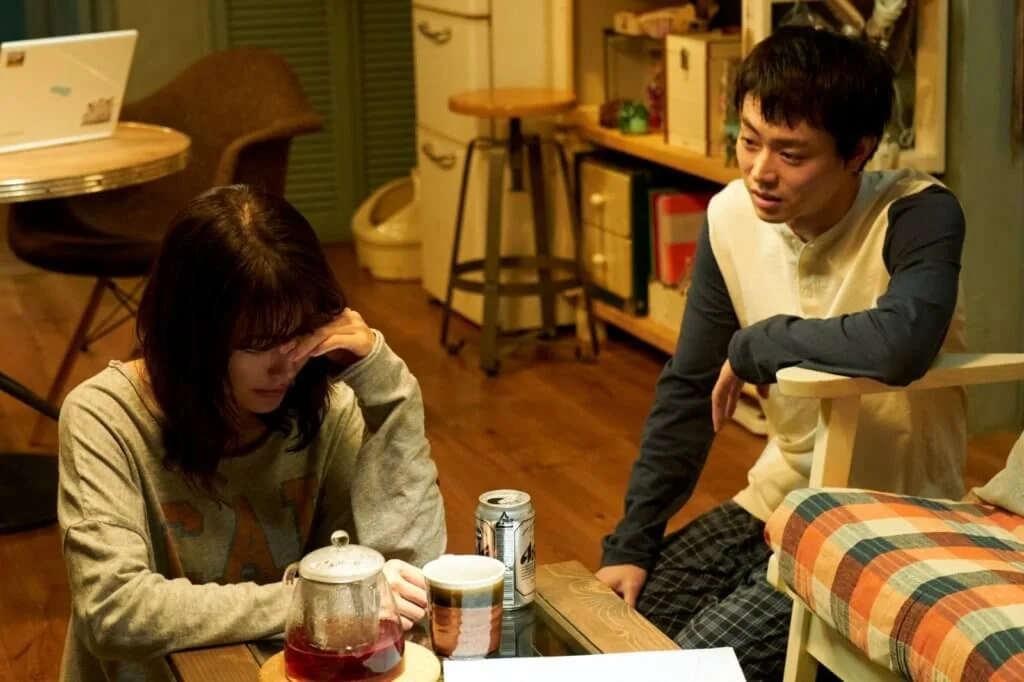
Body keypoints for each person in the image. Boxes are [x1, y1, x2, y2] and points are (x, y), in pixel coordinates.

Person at [596, 26, 968, 680]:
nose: (760, 171)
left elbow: (901, 343)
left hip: (887, 520)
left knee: (690, 666)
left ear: (858, 151)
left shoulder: (918, 213)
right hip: (779, 495)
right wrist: (631, 542)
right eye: (749, 140)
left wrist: (759, 343)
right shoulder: (730, 217)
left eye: (791, 154)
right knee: (618, 628)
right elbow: (688, 389)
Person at [56, 185, 446, 682]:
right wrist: (315, 601)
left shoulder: (327, 408)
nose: (285, 366)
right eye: (258, 344)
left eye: (298, 335)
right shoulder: (104, 417)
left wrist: (390, 394)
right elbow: (113, 610)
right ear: (192, 339)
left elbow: (403, 585)